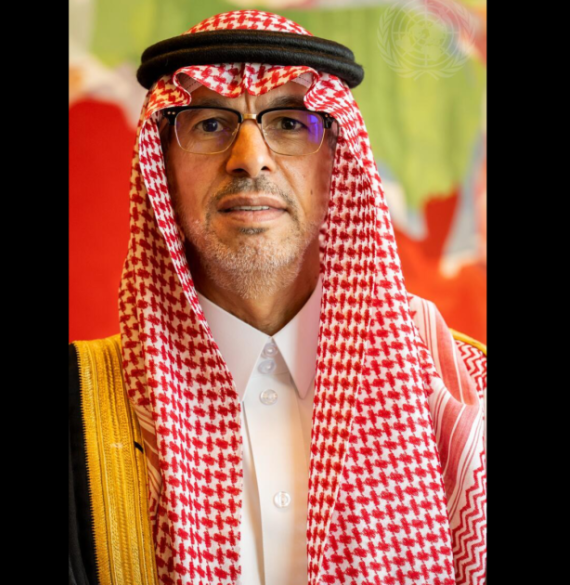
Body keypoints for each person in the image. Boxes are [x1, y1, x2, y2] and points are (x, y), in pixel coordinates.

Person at [69, 10, 486, 585]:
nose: (250, 156)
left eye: (290, 122)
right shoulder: (80, 404)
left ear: (338, 159)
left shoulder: (463, 393)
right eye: (209, 123)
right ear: (162, 165)